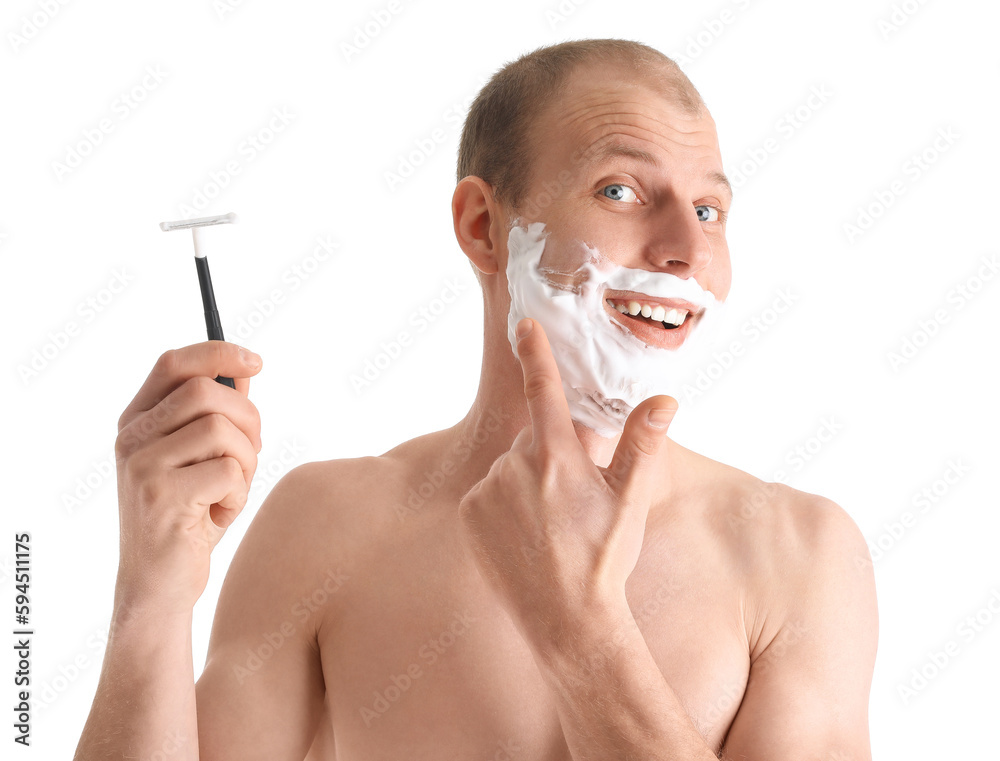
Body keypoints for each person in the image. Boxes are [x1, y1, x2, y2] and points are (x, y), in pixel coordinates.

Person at [76, 38, 878, 760]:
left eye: (709, 209)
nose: (687, 251)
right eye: (622, 192)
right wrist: (150, 594)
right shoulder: (324, 527)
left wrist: (582, 631)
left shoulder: (798, 556)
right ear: (484, 226)